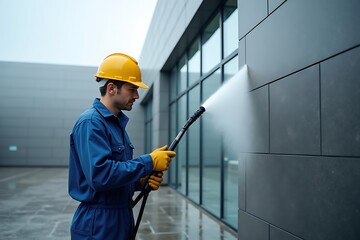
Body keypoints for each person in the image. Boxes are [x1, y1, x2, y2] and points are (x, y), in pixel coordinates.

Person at [68, 53, 176, 240]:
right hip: (99, 223)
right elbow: (100, 176)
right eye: (132, 89)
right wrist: (148, 162)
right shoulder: (91, 123)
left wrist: (139, 182)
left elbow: (117, 174)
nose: (136, 95)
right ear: (111, 88)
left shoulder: (115, 125)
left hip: (120, 217)